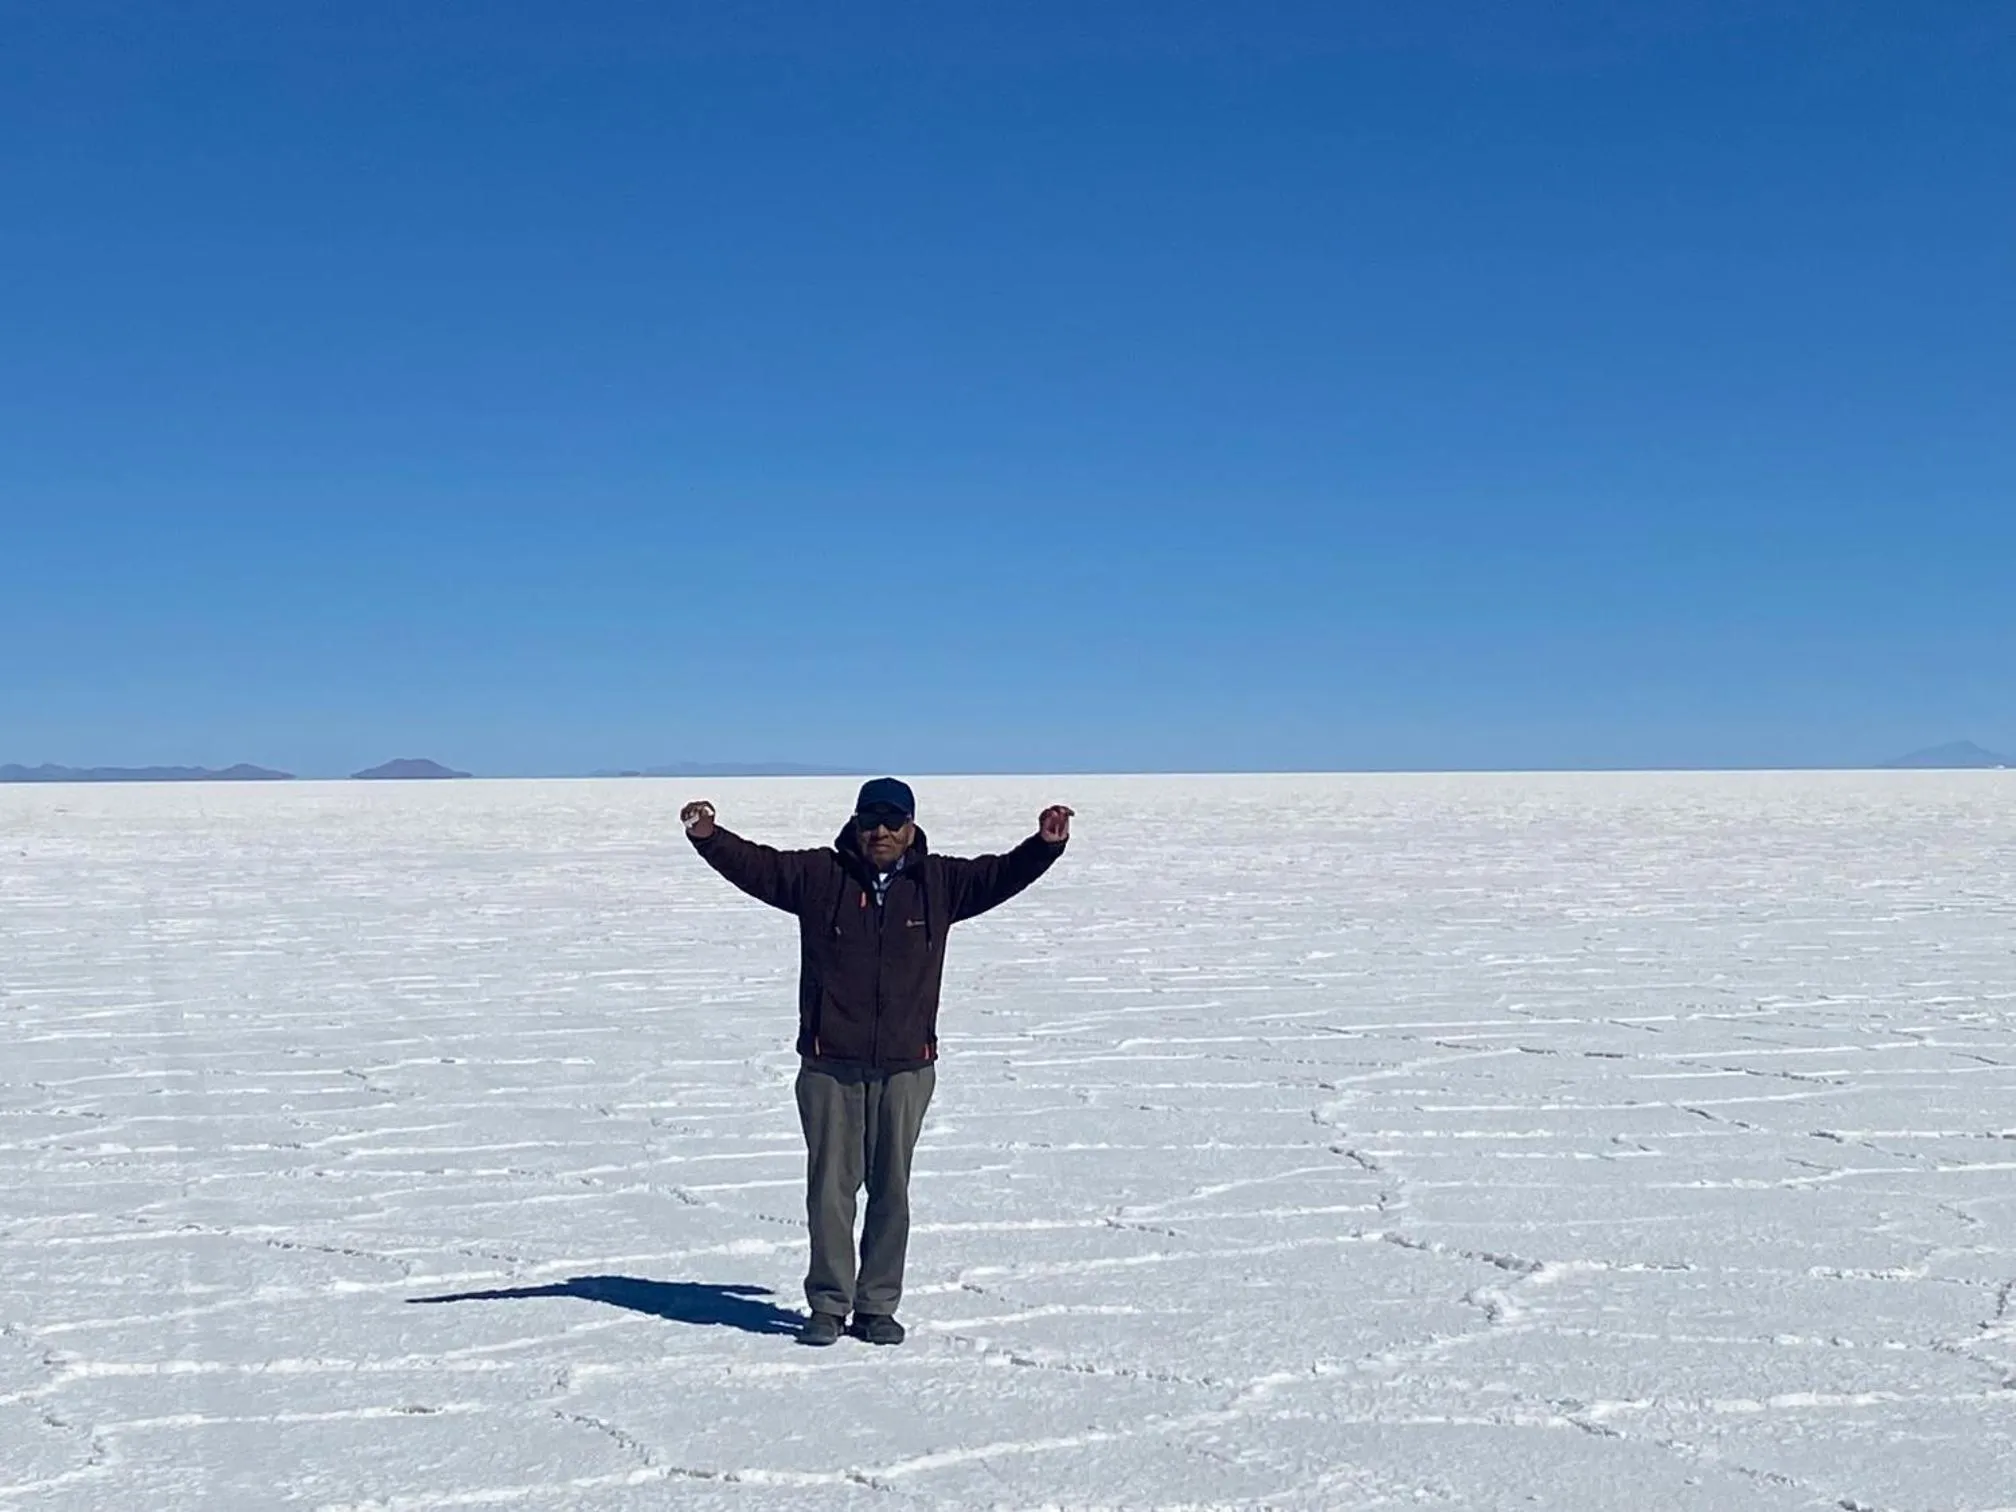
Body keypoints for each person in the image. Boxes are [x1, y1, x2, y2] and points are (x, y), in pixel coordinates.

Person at [682, 778, 1072, 1347]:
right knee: (830, 1192)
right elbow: (757, 867)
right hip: (829, 1065)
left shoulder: (940, 883)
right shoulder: (821, 876)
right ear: (856, 824)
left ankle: (877, 1306)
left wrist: (1045, 844)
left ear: (911, 826)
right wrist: (709, 836)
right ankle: (828, 1305)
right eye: (871, 822)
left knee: (892, 1190)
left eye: (893, 822)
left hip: (906, 1066)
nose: (881, 832)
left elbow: (1001, 875)